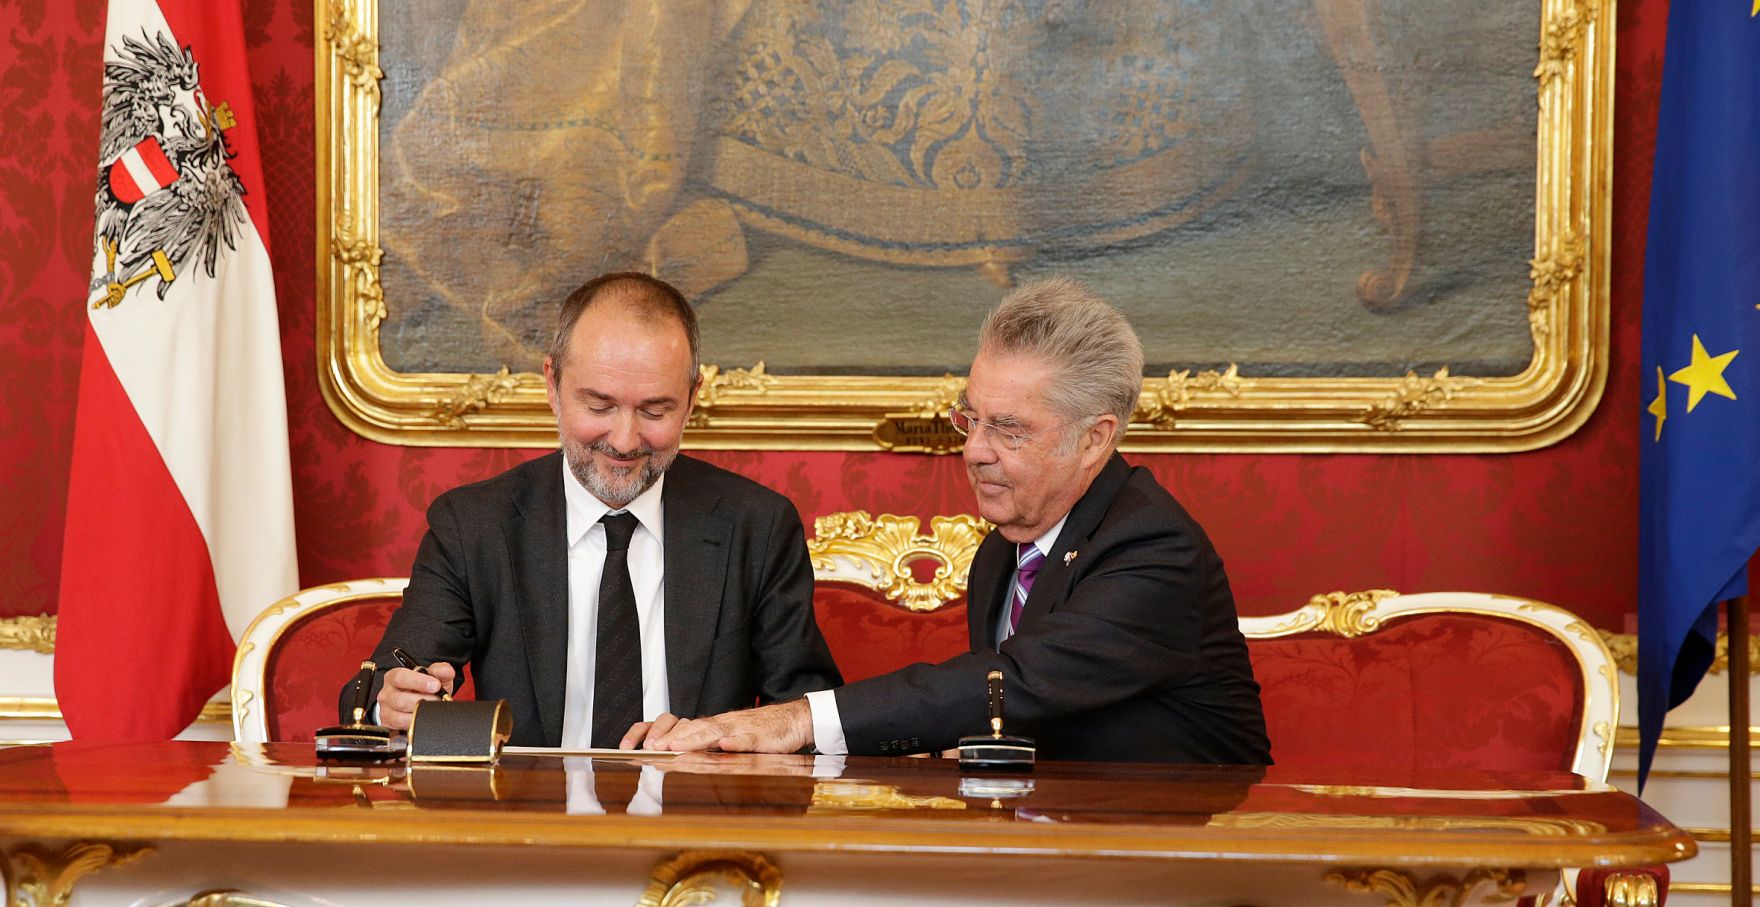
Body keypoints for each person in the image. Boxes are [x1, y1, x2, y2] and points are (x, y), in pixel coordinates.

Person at [634, 277, 1271, 764]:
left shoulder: (1153, 548)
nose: (973, 450)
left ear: (1095, 439)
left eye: (1010, 430)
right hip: (1048, 849)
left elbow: (1012, 686)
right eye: (972, 418)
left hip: (1175, 856)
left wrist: (794, 721)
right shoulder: (1007, 547)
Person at [346, 272, 841, 747]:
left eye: (655, 411)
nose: (624, 441)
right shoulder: (474, 525)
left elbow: (807, 713)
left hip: (699, 820)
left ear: (692, 400)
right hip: (527, 821)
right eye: (599, 406)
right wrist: (392, 703)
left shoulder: (759, 526)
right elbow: (375, 688)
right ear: (552, 385)